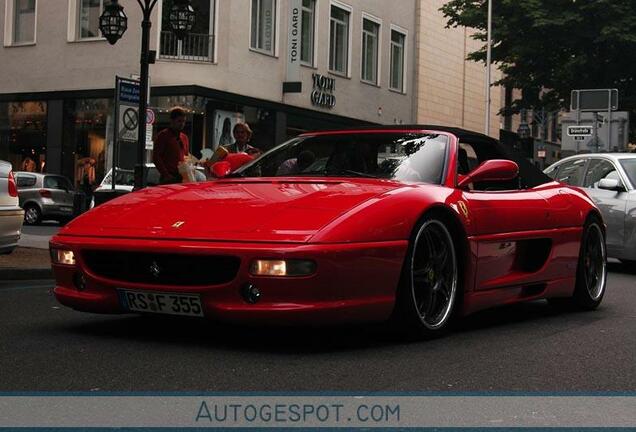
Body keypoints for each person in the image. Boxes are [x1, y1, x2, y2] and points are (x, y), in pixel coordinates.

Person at [153, 107, 190, 184]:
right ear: (172, 121)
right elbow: (156, 157)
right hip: (169, 177)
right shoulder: (163, 136)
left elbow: (186, 157)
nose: (182, 124)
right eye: (179, 121)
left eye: (184, 121)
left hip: (183, 176)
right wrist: (166, 175)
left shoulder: (184, 138)